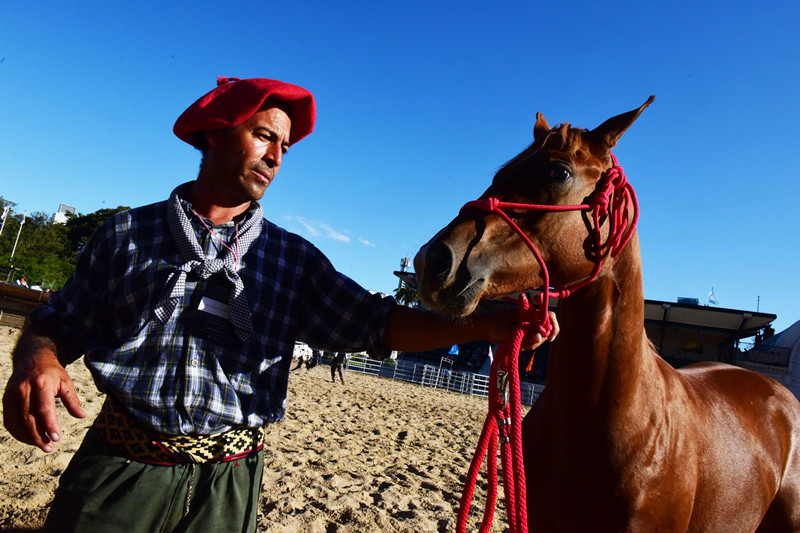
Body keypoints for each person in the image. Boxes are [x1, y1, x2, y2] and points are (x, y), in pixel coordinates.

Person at [2, 76, 558, 533]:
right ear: (216, 133)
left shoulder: (293, 260)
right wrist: (37, 356)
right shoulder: (124, 234)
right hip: (120, 472)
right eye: (264, 136)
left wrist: (491, 325)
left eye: (284, 148)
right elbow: (58, 322)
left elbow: (376, 323)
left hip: (230, 488)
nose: (275, 157)